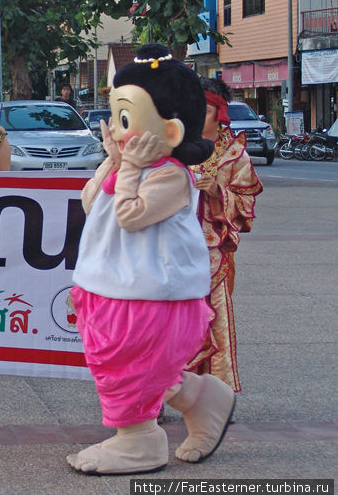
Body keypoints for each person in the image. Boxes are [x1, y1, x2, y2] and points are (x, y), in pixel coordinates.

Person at [67, 44, 233, 476]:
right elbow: (90, 203)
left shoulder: (171, 175)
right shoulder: (130, 164)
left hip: (149, 293)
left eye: (128, 121)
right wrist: (114, 162)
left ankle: (139, 440)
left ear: (171, 131)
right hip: (112, 285)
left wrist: (128, 169)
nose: (120, 131)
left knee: (132, 362)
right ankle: (203, 399)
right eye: (118, 119)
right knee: (132, 363)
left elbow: (130, 215)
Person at [186, 78, 263, 392]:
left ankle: (216, 396)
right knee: (163, 326)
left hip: (213, 255)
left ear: (219, 114)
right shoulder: (173, 147)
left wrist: (218, 191)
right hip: (169, 251)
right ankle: (157, 396)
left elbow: (246, 209)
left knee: (216, 322)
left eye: (203, 110)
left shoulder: (235, 155)